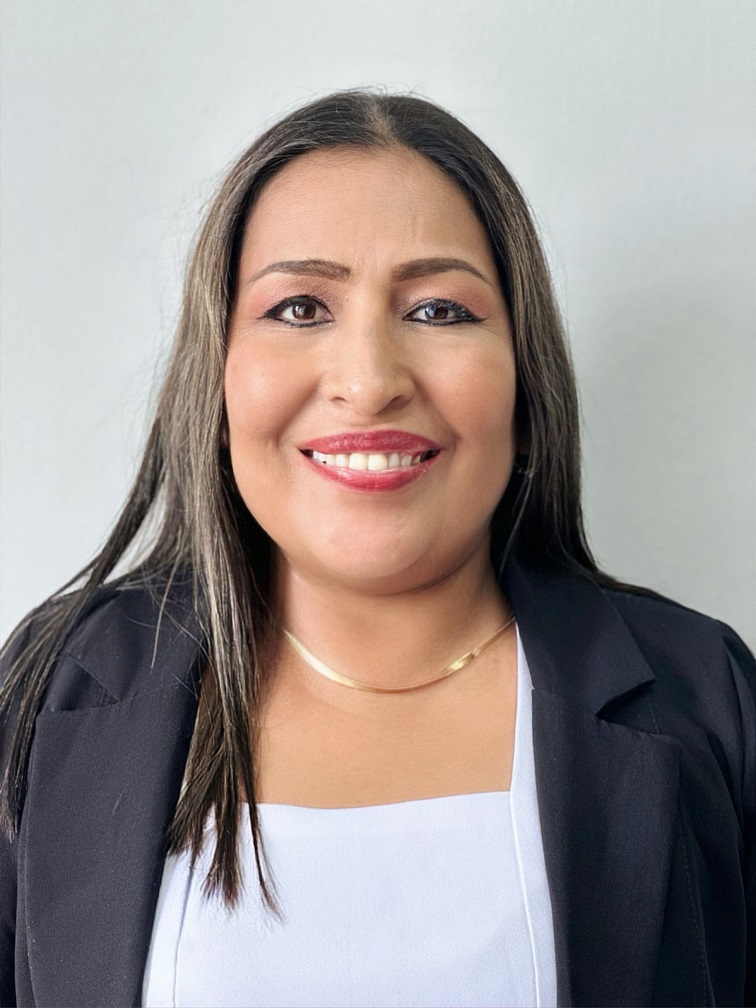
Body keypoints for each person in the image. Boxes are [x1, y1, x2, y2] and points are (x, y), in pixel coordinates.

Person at [0, 89, 753, 1008]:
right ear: (219, 378)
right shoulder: (55, 689)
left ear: (525, 381)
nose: (367, 382)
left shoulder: (705, 696)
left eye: (437, 311)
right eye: (299, 307)